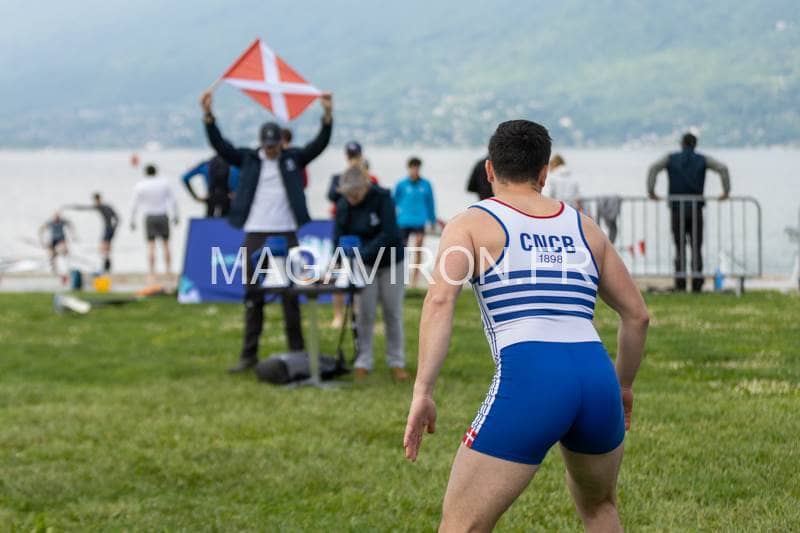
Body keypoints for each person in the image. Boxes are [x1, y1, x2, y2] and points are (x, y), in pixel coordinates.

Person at [403, 120, 649, 532]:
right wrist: (622, 386)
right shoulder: (584, 227)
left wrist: (422, 391)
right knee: (600, 508)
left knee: (461, 525)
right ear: (544, 173)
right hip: (597, 376)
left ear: (489, 170)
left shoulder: (470, 224)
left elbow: (440, 301)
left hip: (533, 376)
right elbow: (638, 315)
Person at [200, 90, 333, 373]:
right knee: (253, 295)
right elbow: (221, 145)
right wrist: (209, 116)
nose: (272, 150)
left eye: (275, 146)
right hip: (256, 233)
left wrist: (327, 116)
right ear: (261, 143)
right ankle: (248, 355)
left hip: (287, 233)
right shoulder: (248, 159)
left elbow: (318, 146)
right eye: (268, 146)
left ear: (281, 143)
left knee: (291, 295)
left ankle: (297, 352)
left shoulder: (292, 159)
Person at [333, 167, 408, 380]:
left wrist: (362, 253)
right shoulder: (344, 204)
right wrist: (338, 258)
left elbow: (390, 234)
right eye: (348, 194)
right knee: (364, 313)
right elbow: (338, 235)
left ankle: (396, 362)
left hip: (391, 262)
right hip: (363, 265)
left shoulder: (383, 199)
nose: (352, 198)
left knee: (392, 312)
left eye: (355, 194)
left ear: (365, 186)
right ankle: (363, 360)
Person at [647, 132, 730, 292]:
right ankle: (697, 282)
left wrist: (651, 191)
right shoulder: (703, 159)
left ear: (682, 144)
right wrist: (726, 191)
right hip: (696, 208)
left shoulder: (671, 158)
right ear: (695, 144)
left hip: (677, 209)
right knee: (696, 246)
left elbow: (653, 168)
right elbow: (722, 168)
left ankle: (680, 282)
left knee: (679, 247)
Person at [327, 141, 379, 328]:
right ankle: (338, 315)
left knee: (361, 277)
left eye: (355, 156)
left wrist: (362, 177)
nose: (353, 159)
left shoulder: (370, 179)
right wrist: (348, 178)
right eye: (351, 156)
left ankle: (358, 313)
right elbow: (332, 196)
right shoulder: (339, 178)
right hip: (343, 230)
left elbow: (375, 199)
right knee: (338, 274)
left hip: (362, 234)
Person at [130, 164, 179, 281]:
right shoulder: (164, 183)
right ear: (156, 172)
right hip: (163, 215)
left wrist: (132, 220)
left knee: (151, 246)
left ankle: (152, 273)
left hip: (150, 216)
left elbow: (134, 204)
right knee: (166, 245)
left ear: (145, 172)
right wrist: (176, 216)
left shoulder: (140, 185)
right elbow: (173, 201)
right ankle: (168, 271)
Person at [394, 157, 437, 288]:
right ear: (409, 168)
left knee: (418, 248)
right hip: (403, 222)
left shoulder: (426, 184)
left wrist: (432, 220)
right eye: (412, 168)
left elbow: (431, 203)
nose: (415, 170)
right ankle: (401, 277)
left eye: (417, 168)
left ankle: (415, 280)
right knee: (402, 250)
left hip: (419, 221)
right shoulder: (401, 184)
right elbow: (392, 202)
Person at [65, 193, 119, 272]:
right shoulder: (106, 206)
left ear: (98, 199)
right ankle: (107, 266)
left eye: (95, 201)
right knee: (106, 249)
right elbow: (117, 218)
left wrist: (74, 207)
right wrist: (114, 228)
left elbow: (86, 208)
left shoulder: (102, 207)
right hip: (110, 229)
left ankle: (106, 266)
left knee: (103, 248)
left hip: (108, 229)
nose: (94, 202)